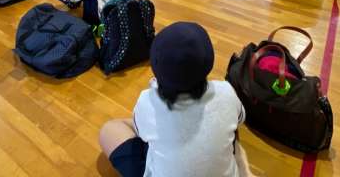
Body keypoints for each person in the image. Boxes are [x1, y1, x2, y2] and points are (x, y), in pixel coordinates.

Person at [100, 21, 252, 177]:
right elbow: (239, 120)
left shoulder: (147, 101)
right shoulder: (226, 91)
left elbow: (141, 134)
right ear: (209, 60)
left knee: (109, 130)